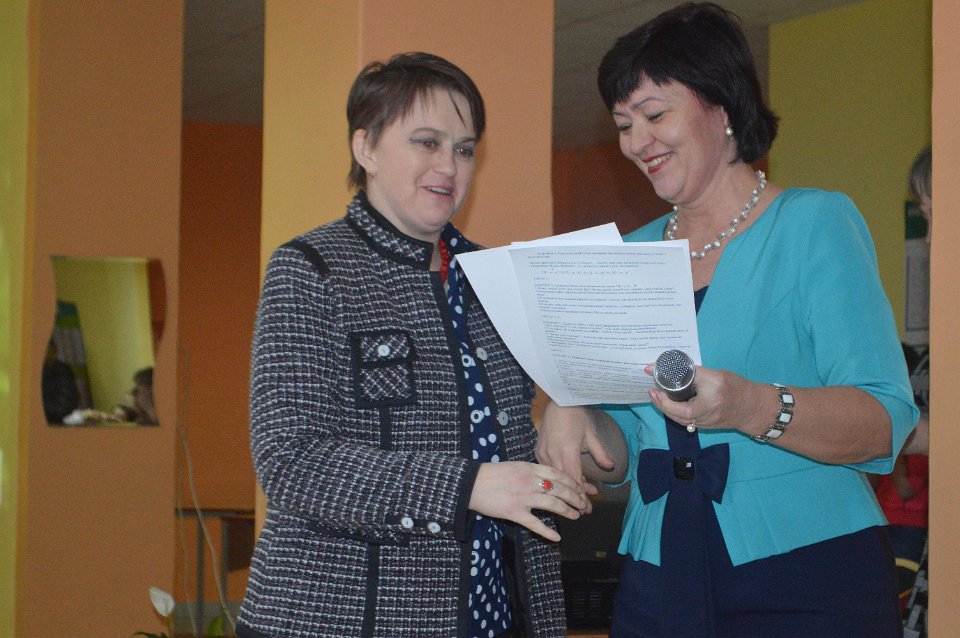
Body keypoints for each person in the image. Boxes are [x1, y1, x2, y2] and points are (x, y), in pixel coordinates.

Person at [535, 4, 918, 638]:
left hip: (809, 569)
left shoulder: (812, 223)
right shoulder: (627, 255)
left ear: (722, 107)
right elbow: (621, 452)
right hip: (658, 574)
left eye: (654, 115)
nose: (635, 143)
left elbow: (884, 422)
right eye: (624, 125)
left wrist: (749, 405)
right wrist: (572, 407)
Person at [236, 52, 585, 638]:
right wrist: (468, 485)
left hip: (497, 610)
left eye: (465, 149)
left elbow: (519, 433)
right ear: (366, 148)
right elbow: (291, 461)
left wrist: (570, 403)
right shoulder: (311, 269)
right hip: (339, 618)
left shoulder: (497, 277)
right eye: (427, 142)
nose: (448, 165)